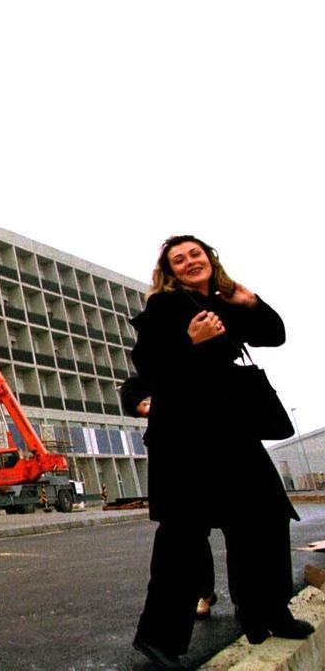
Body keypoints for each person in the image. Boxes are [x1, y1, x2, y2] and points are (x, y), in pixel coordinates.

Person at [130, 235, 311, 669]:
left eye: (196, 253)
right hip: (183, 439)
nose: (190, 261)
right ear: (170, 272)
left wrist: (251, 302)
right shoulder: (164, 309)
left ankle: (267, 612)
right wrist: (189, 342)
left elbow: (275, 335)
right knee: (182, 538)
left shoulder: (226, 303)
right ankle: (158, 639)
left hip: (234, 432)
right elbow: (148, 368)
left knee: (265, 519)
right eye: (180, 259)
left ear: (209, 258)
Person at [120, 376, 217, 620]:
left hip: (212, 443)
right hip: (177, 456)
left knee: (236, 528)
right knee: (190, 533)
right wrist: (140, 402)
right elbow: (134, 384)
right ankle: (204, 593)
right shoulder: (165, 364)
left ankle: (249, 600)